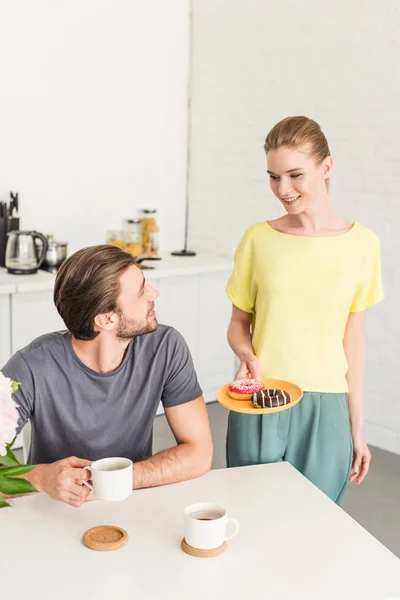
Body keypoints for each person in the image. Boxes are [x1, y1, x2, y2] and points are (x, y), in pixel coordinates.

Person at [225, 116, 383, 504]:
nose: (283, 189)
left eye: (295, 175)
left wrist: (356, 429)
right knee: (252, 513)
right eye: (274, 177)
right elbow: (237, 323)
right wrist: (246, 353)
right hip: (261, 397)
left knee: (318, 522)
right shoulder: (258, 239)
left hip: (326, 407)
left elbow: (354, 343)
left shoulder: (363, 245)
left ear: (326, 167)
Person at [1, 245, 213, 507]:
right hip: (54, 509)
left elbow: (199, 453)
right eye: (141, 292)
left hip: (130, 502)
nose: (154, 294)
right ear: (106, 320)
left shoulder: (165, 347)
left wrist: (116, 481)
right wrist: (41, 478)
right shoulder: (30, 367)